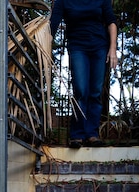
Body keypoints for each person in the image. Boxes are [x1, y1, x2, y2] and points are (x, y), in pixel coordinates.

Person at [49, 0, 118, 148]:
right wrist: (45, 44)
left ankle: (92, 134)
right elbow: (53, 22)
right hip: (77, 47)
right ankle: (77, 135)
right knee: (80, 90)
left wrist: (113, 48)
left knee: (96, 91)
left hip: (99, 47)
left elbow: (111, 22)